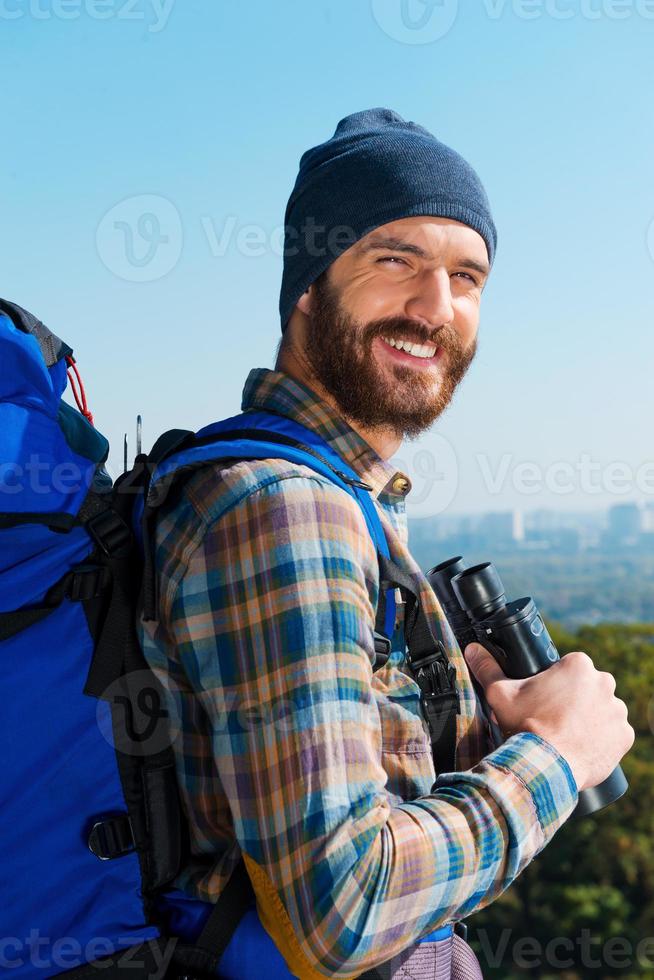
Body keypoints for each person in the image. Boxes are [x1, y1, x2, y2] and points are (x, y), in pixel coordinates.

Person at [141, 108, 634, 978]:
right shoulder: (287, 510)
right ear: (307, 288)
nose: (435, 307)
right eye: (394, 259)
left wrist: (490, 748)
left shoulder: (332, 498)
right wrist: (559, 758)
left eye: (467, 276)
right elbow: (344, 908)